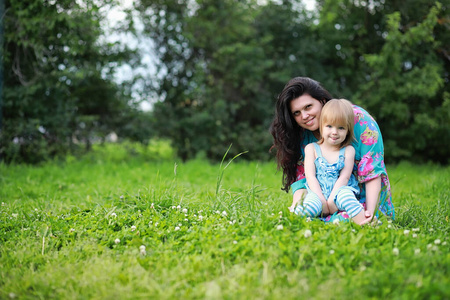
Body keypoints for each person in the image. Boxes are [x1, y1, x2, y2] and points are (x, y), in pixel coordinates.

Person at [270, 77, 395, 223]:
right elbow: (302, 179)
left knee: (354, 219)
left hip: (358, 199)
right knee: (305, 217)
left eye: (308, 107)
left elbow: (372, 171)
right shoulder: (304, 135)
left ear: (322, 101)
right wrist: (296, 206)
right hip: (321, 203)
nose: (304, 116)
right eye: (296, 113)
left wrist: (370, 213)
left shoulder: (360, 121)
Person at [294, 99, 369, 225]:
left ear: (348, 130)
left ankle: (364, 221)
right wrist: (322, 200)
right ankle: (292, 220)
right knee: (310, 205)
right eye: (329, 126)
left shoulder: (348, 150)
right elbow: (310, 177)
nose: (334, 132)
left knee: (347, 198)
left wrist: (331, 201)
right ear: (322, 126)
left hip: (340, 190)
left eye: (341, 128)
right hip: (317, 191)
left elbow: (344, 178)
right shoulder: (311, 148)